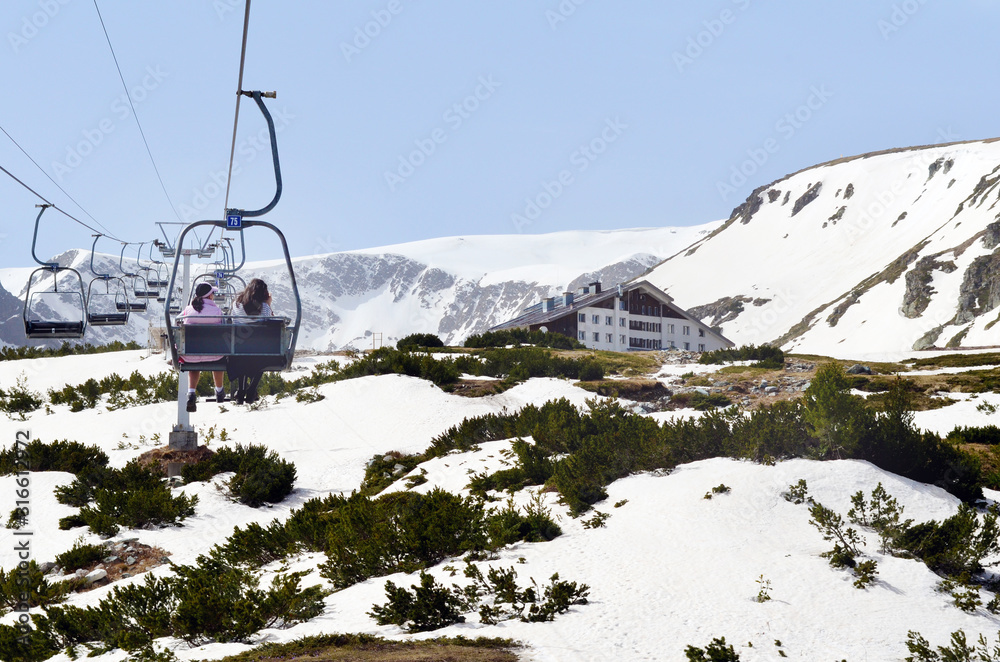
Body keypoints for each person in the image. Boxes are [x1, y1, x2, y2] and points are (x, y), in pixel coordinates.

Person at [179, 282, 227, 412]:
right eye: (213, 293)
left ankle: (191, 393)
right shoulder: (217, 311)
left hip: (190, 354)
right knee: (218, 358)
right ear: (209, 296)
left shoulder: (188, 310)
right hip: (214, 355)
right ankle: (219, 390)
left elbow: (179, 322)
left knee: (194, 362)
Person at [228, 278, 273, 404]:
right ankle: (251, 389)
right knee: (261, 358)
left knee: (242, 357)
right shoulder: (264, 307)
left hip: (239, 349)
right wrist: (268, 304)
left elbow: (232, 321)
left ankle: (241, 390)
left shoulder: (236, 304)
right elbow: (270, 323)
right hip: (259, 352)